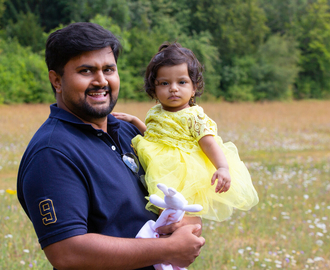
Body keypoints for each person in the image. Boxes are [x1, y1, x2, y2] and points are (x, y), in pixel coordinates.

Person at [17, 23, 205, 270]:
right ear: (57, 80)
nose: (101, 81)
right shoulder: (52, 153)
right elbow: (66, 252)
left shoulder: (129, 132)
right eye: (86, 71)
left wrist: (179, 225)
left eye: (108, 69)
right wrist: (168, 249)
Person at [113, 43, 259, 222]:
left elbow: (209, 143)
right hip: (160, 164)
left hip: (183, 169)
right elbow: (153, 137)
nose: (173, 88)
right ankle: (160, 234)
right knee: (162, 208)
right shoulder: (156, 112)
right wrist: (135, 121)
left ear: (194, 88)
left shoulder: (193, 116)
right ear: (154, 89)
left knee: (179, 212)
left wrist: (222, 167)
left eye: (182, 82)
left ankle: (177, 236)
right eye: (164, 83)